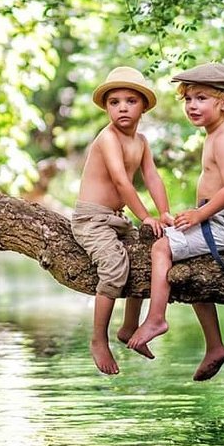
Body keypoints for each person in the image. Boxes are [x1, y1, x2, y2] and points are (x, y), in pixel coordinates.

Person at [127, 63, 224, 381]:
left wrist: (202, 213)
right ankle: (215, 346)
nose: (192, 106)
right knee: (190, 268)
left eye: (201, 98)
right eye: (188, 99)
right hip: (220, 218)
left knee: (161, 249)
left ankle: (156, 318)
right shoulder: (222, 135)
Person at [71, 66, 174, 375]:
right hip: (91, 219)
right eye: (114, 102)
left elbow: (152, 177)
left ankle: (130, 328)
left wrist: (164, 212)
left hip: (116, 219)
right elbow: (120, 181)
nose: (122, 108)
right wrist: (145, 216)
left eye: (130, 101)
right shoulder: (107, 138)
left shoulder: (141, 141)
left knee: (144, 259)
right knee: (115, 268)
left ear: (143, 105)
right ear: (106, 108)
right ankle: (98, 339)